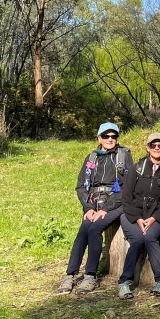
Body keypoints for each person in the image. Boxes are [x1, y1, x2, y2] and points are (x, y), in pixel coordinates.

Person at [57, 122, 133, 294]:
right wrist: (89, 207)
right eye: (106, 136)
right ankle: (70, 274)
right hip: (94, 204)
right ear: (99, 138)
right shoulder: (92, 157)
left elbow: (128, 187)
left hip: (116, 203)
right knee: (84, 229)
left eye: (114, 136)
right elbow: (81, 187)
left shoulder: (124, 155)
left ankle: (90, 275)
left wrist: (105, 209)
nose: (110, 139)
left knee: (95, 228)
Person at [117, 133, 160, 298]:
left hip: (159, 216)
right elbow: (126, 197)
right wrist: (137, 219)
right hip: (134, 215)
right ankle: (125, 281)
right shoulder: (136, 168)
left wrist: (153, 219)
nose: (157, 148)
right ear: (148, 148)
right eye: (153, 145)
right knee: (137, 239)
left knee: (150, 236)